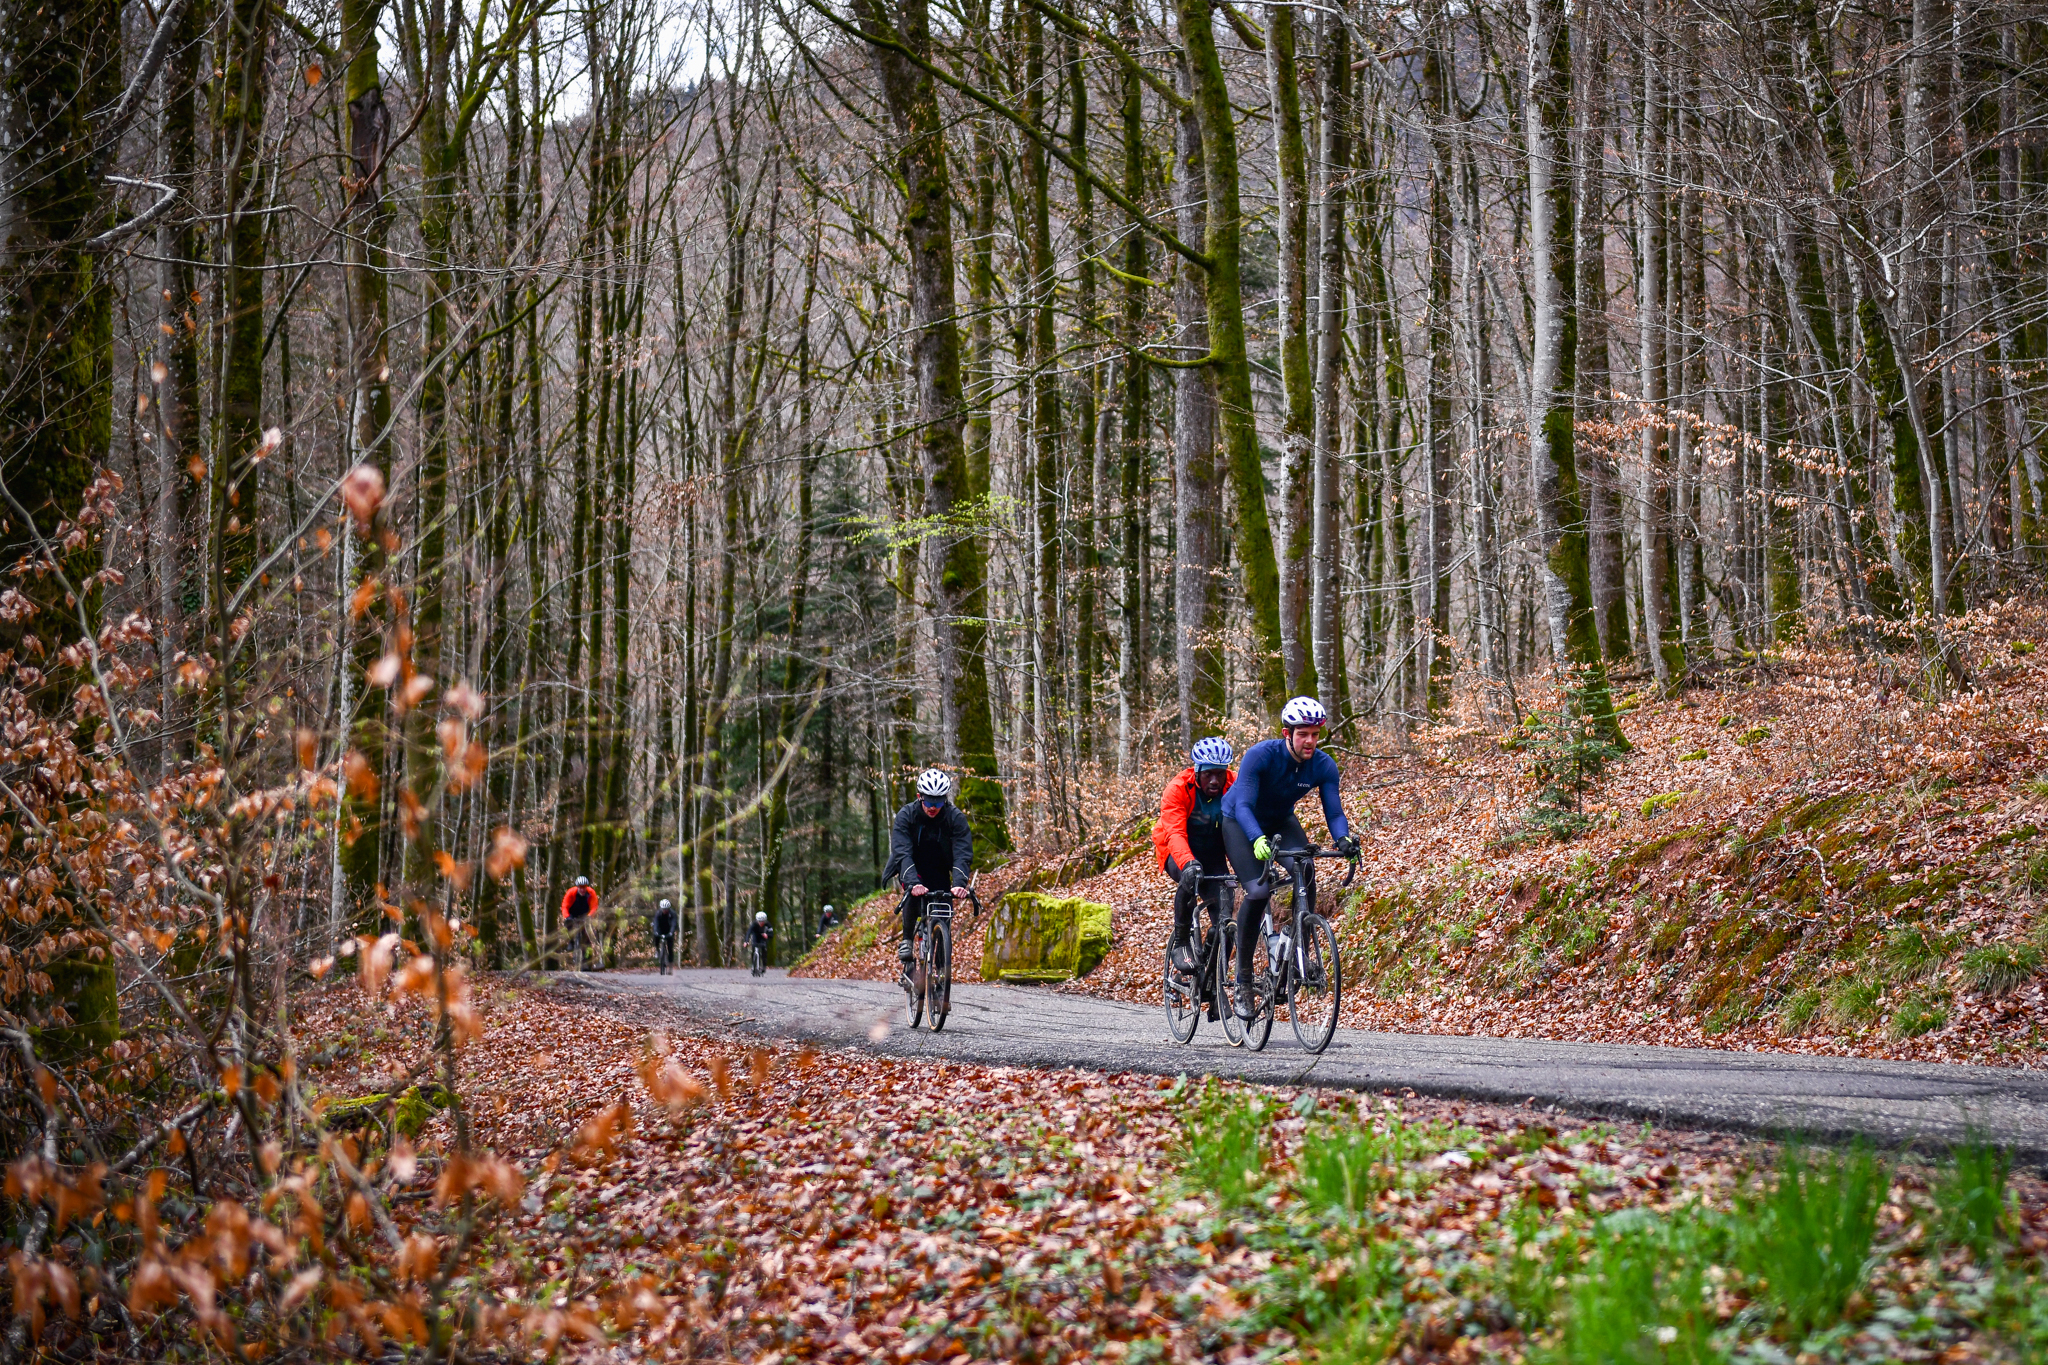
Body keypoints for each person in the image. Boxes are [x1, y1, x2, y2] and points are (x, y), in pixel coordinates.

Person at [1220, 698, 1361, 1019]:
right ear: (1287, 733)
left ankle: (1301, 951)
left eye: (1315, 734)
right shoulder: (1261, 756)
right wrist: (1256, 839)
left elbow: (1334, 810)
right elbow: (1242, 806)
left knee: (1306, 868)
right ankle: (1242, 981)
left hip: (1281, 821)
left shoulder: (1323, 765)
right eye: (1303, 734)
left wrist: (1344, 839)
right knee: (1257, 891)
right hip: (1240, 822)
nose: (1310, 740)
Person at [1152, 737, 1236, 976]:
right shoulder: (1178, 788)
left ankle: (1212, 973)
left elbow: (1241, 825)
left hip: (1214, 851)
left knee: (1226, 919)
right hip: (1178, 850)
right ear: (1197, 771)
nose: (1214, 780)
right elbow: (1175, 833)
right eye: (1208, 774)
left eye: (1219, 774)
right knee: (1189, 879)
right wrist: (1188, 863)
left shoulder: (1234, 784)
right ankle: (1181, 940)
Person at [883, 768, 972, 982]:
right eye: (929, 802)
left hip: (940, 869)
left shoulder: (955, 818)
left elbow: (962, 852)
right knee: (914, 895)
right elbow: (902, 851)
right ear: (919, 797)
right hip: (912, 866)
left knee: (943, 910)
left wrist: (960, 883)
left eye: (939, 802)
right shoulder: (907, 815)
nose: (933, 807)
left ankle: (941, 964)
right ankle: (907, 945)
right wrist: (912, 882)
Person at [560, 876, 598, 971]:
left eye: (584, 887)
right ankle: (571, 940)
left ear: (586, 887)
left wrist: (590, 916)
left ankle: (587, 963)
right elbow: (564, 906)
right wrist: (567, 916)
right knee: (568, 923)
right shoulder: (571, 893)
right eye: (580, 887)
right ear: (577, 887)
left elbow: (594, 907)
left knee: (587, 936)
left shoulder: (591, 893)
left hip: (585, 914)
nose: (582, 889)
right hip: (573, 913)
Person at [652, 897, 677, 973]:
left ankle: (670, 967)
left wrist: (671, 932)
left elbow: (674, 924)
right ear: (661, 909)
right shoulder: (658, 914)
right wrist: (656, 931)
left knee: (670, 948)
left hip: (669, 930)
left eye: (666, 909)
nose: (665, 911)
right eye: (663, 909)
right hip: (661, 929)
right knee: (655, 936)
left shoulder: (672, 914)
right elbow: (655, 923)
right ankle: (657, 949)